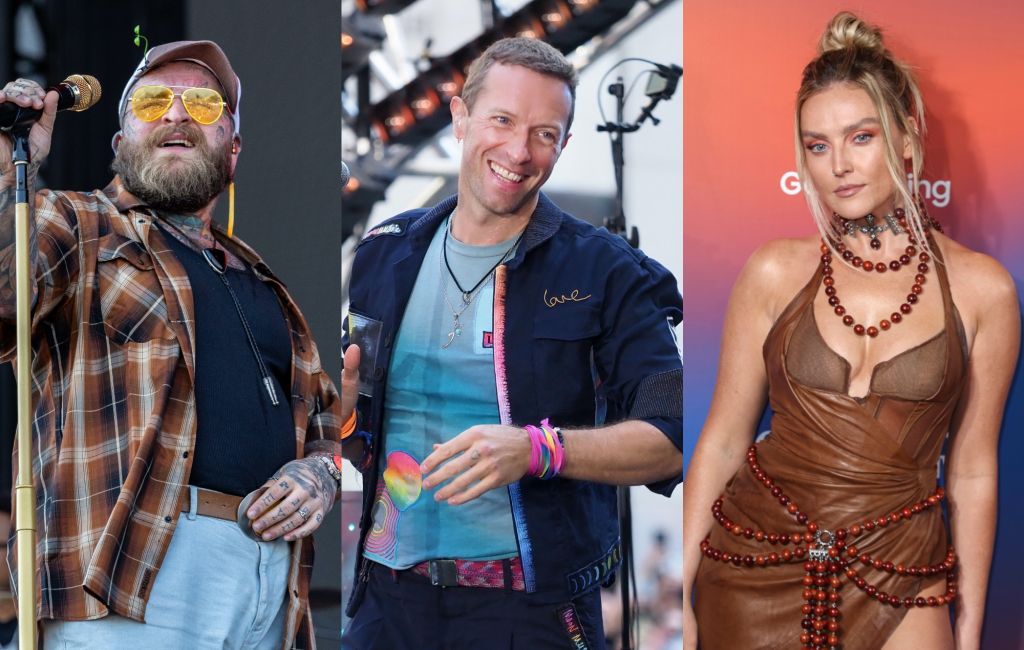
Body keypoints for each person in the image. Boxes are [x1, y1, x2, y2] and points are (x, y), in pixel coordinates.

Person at [682, 13, 1019, 650]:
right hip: (753, 559)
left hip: (901, 567)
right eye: (817, 145)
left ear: (908, 139)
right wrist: (684, 591)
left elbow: (974, 470)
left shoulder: (983, 289)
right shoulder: (775, 269)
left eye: (860, 137)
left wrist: (968, 625)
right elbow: (724, 441)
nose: (839, 164)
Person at [340, 37, 683, 649]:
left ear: (563, 146)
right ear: (459, 117)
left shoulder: (606, 271)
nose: (519, 151)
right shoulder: (384, 251)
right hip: (386, 602)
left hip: (530, 611)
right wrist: (338, 417)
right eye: (502, 120)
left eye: (545, 134)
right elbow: (357, 425)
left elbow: (675, 434)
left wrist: (538, 450)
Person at [0, 40, 342, 648]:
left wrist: (318, 472)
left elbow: (325, 416)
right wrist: (7, 175)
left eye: (205, 106)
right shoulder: (76, 225)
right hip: (131, 577)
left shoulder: (261, 281)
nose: (178, 115)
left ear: (232, 152)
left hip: (274, 583)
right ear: (120, 141)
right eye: (155, 101)